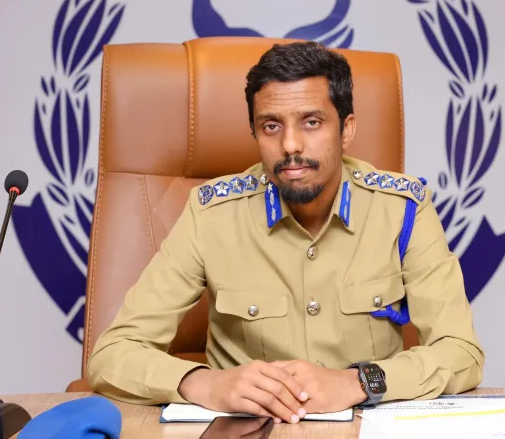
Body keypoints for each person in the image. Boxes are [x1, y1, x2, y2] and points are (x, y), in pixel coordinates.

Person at [87, 41, 484, 424]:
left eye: (311, 122)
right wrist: (206, 383)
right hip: (245, 429)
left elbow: (461, 352)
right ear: (255, 133)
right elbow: (112, 354)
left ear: (346, 130)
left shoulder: (403, 208)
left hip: (364, 426)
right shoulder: (210, 214)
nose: (290, 145)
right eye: (271, 126)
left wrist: (358, 382)